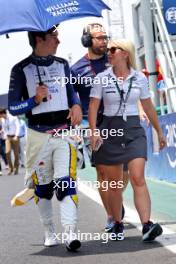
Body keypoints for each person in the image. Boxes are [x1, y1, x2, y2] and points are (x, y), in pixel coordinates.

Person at [8, 26, 82, 251]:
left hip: (64, 133)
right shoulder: (20, 69)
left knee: (66, 183)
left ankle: (70, 233)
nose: (58, 40)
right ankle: (50, 231)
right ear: (39, 39)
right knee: (43, 189)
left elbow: (71, 92)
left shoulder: (62, 64)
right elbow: (12, 107)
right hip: (37, 137)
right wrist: (34, 100)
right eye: (54, 36)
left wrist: (77, 104)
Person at [88, 39, 166, 242]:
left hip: (134, 130)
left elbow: (148, 107)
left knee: (138, 178)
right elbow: (94, 108)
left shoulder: (139, 78)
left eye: (114, 50)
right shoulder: (102, 78)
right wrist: (94, 131)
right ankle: (117, 223)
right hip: (110, 131)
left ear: (125, 54)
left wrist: (159, 132)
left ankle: (147, 225)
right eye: (109, 50)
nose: (109, 52)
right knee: (114, 184)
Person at [71, 23, 129, 232]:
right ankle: (112, 217)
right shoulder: (75, 69)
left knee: (124, 172)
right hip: (93, 123)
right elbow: (71, 99)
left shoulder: (116, 59)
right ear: (87, 41)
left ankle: (116, 199)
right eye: (99, 38)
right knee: (103, 172)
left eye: (106, 37)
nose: (104, 41)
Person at [0, 108, 20, 175]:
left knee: (16, 154)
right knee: (7, 152)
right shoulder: (2, 120)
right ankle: (10, 168)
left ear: (3, 113)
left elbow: (18, 126)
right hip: (8, 137)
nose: (0, 117)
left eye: (0, 115)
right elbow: (4, 128)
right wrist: (4, 134)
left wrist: (16, 136)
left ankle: (16, 168)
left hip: (15, 136)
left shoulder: (13, 117)